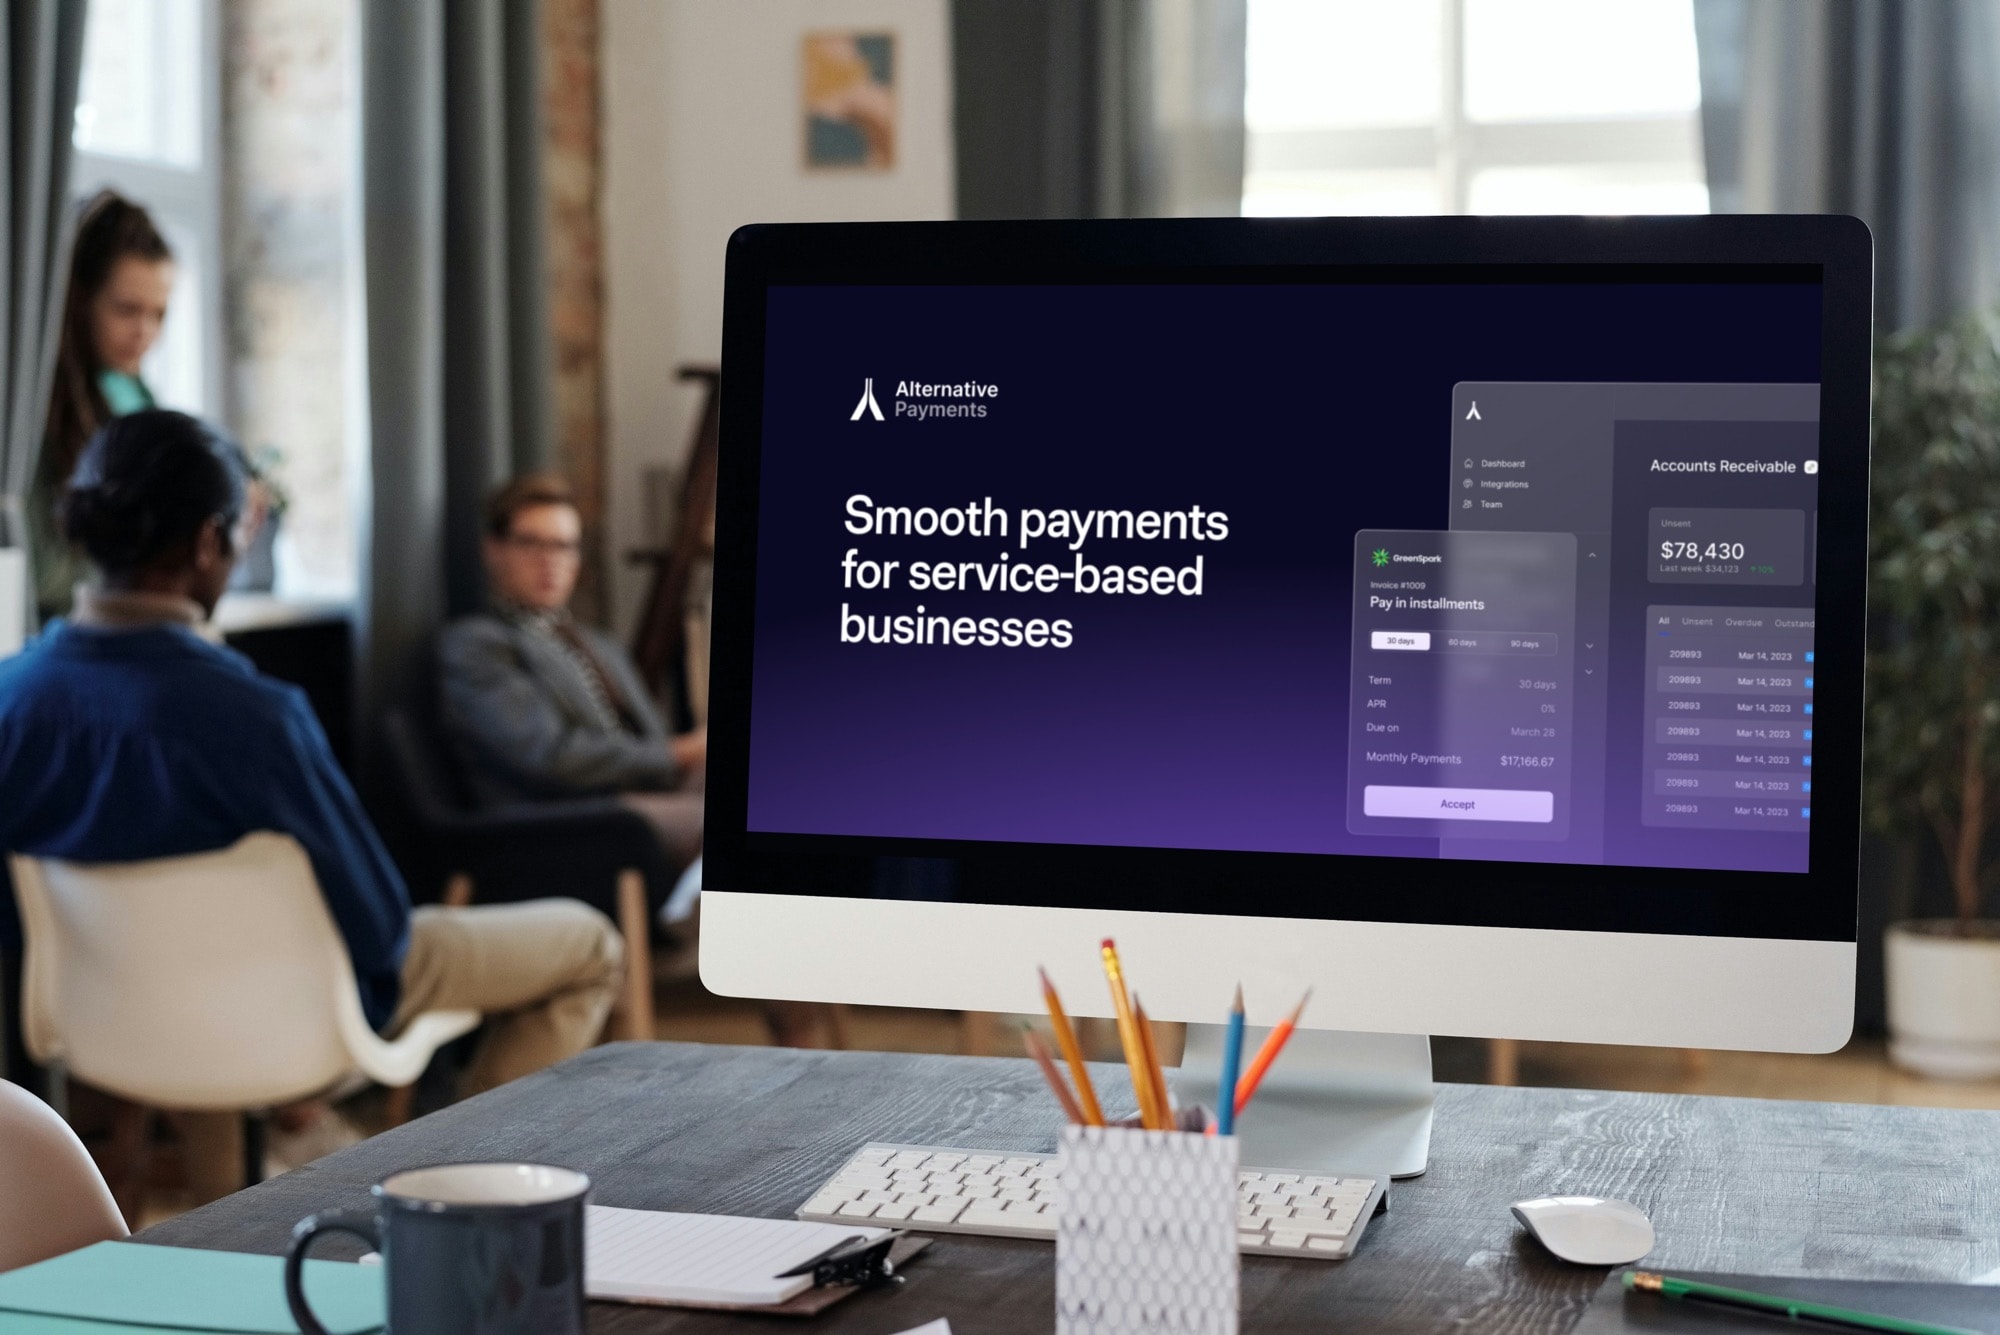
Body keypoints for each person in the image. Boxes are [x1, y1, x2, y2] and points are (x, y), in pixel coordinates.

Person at [0, 411, 624, 1106]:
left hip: (107, 1016)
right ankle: (470, 1176)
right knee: (590, 946)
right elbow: (379, 925)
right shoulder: (254, 717)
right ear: (211, 541)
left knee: (208, 979)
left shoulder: (10, 699)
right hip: (281, 1014)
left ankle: (244, 1188)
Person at [437, 474, 705, 867]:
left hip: (647, 788)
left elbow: (649, 735)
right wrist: (678, 753)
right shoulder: (479, 645)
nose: (550, 560)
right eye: (531, 543)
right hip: (567, 816)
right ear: (494, 551)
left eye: (564, 546)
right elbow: (550, 758)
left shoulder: (597, 644)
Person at [32, 192, 175, 621]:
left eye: (159, 314)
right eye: (127, 310)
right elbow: (41, 571)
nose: (144, 333)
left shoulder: (134, 396)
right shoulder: (32, 411)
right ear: (78, 300)